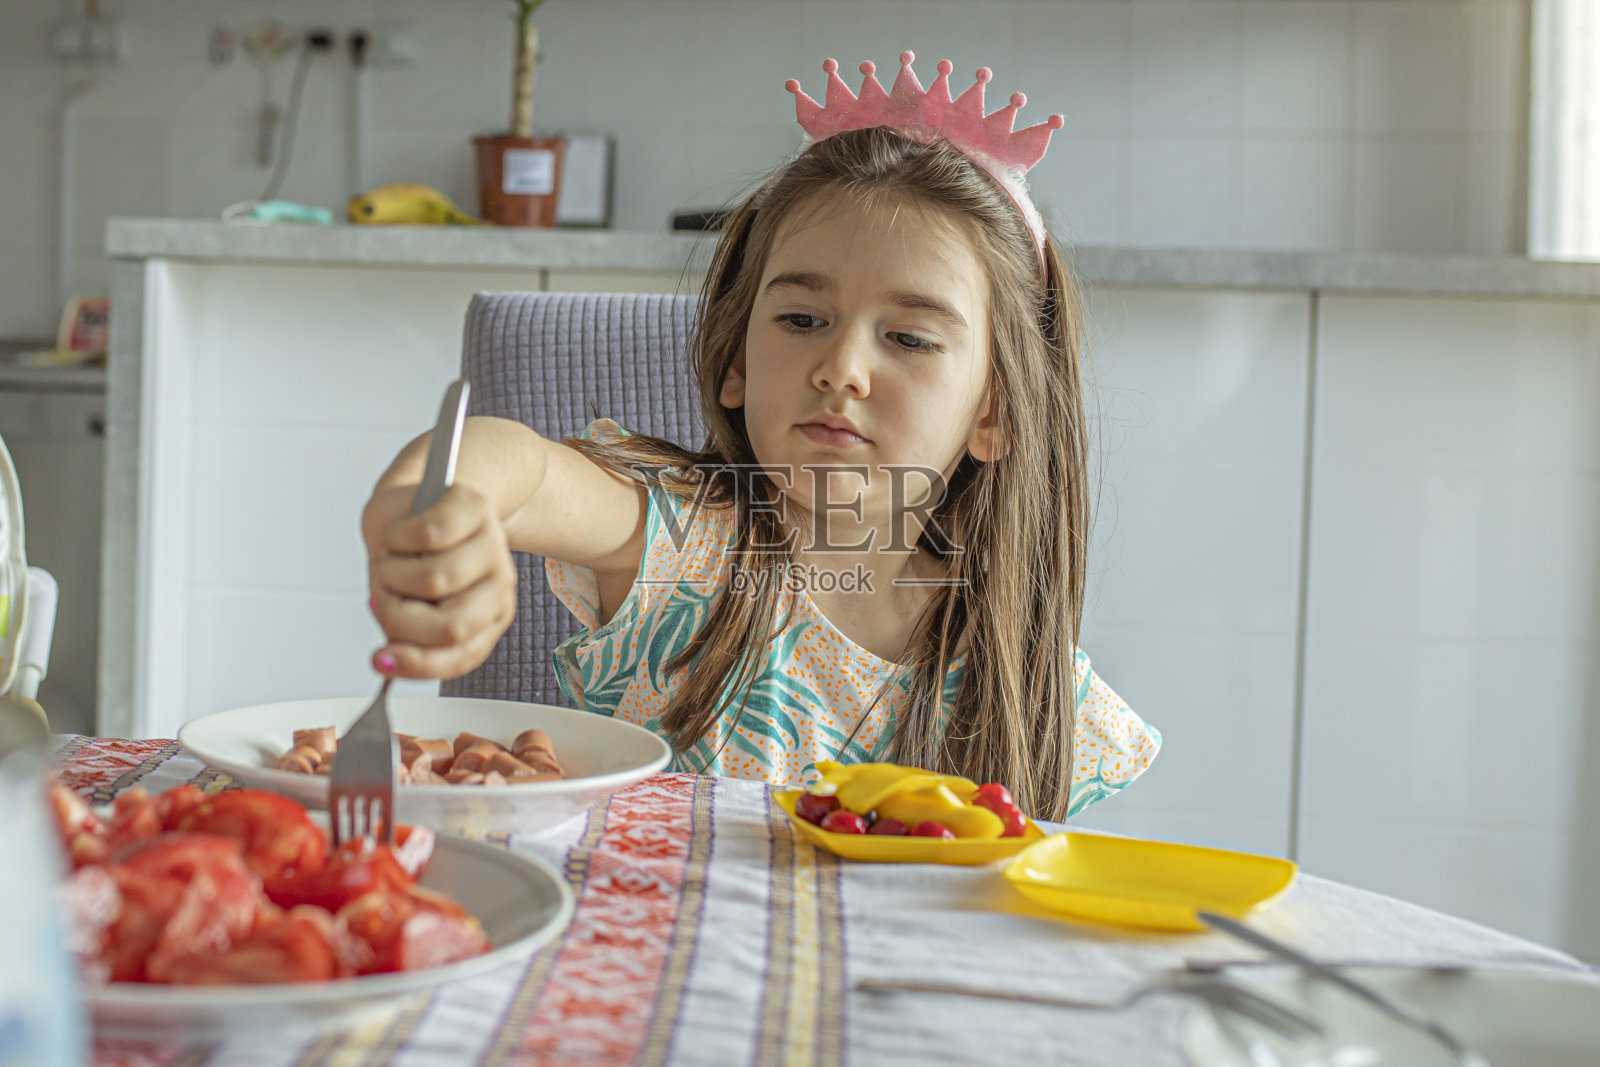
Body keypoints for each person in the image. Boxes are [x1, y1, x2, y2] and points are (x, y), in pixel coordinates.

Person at [361, 53, 1159, 820]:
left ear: (996, 412)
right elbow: (523, 469)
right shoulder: (682, 547)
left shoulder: (1025, 680)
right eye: (802, 320)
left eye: (910, 339)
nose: (842, 367)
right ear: (737, 358)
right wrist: (436, 503)